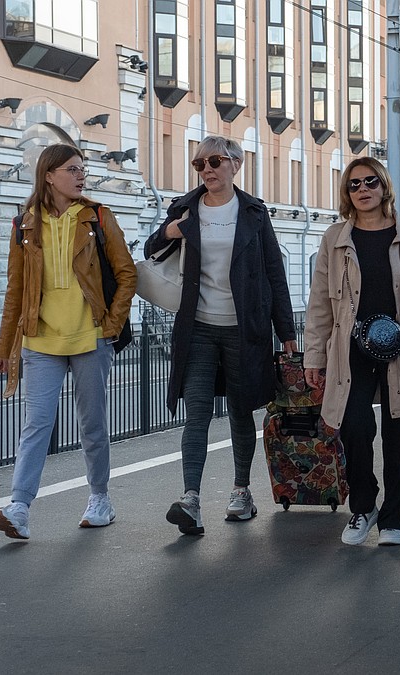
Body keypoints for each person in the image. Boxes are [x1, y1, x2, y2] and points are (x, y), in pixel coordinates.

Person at [144, 135, 297, 536]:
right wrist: (170, 233)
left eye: (214, 161)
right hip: (197, 329)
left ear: (235, 165)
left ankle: (241, 492)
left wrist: (287, 333)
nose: (207, 170)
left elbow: (273, 274)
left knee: (241, 411)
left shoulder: (253, 212)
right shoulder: (184, 209)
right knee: (196, 413)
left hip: (244, 330)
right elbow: (150, 248)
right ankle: (190, 499)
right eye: (199, 164)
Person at [0, 143, 137, 540]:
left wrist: (111, 325)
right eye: (72, 169)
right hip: (40, 340)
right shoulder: (25, 225)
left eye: (82, 168)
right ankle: (19, 507)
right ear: (49, 175)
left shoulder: (97, 217)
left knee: (92, 425)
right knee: (36, 425)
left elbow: (127, 275)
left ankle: (99, 498)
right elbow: (15, 290)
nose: (80, 175)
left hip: (91, 337)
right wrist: (5, 347)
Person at [303, 157, 400, 546]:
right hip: (351, 347)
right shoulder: (335, 237)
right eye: (354, 184)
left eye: (370, 182)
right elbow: (320, 301)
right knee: (353, 426)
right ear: (347, 193)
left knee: (398, 435)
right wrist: (314, 356)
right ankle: (363, 507)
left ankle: (393, 519)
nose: (363, 189)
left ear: (384, 187)